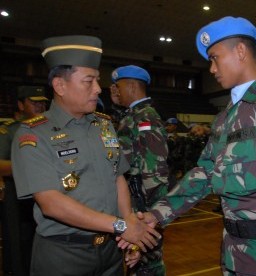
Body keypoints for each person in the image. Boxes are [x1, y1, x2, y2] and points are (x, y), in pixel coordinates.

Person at [137, 16, 256, 275]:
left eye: (214, 57)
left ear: (241, 51)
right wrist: (157, 214)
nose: (211, 68)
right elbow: (205, 172)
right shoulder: (225, 117)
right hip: (234, 247)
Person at [11, 35, 159, 275]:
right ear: (60, 86)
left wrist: (129, 226)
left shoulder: (104, 125)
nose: (98, 89)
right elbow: (51, 203)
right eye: (88, 81)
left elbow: (117, 177)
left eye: (97, 80)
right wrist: (122, 226)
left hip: (111, 250)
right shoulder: (34, 134)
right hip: (64, 256)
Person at [112, 65, 169, 275]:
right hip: (135, 202)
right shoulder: (133, 115)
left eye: (118, 86)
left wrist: (153, 211)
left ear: (132, 86)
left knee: (148, 263)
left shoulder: (146, 116)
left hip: (143, 204)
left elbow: (155, 168)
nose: (115, 91)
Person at [0, 86, 48, 275]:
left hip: (45, 191)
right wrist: (29, 167)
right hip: (17, 194)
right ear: (20, 105)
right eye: (34, 102)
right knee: (17, 240)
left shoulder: (49, 128)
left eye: (42, 102)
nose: (40, 106)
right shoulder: (10, 130)